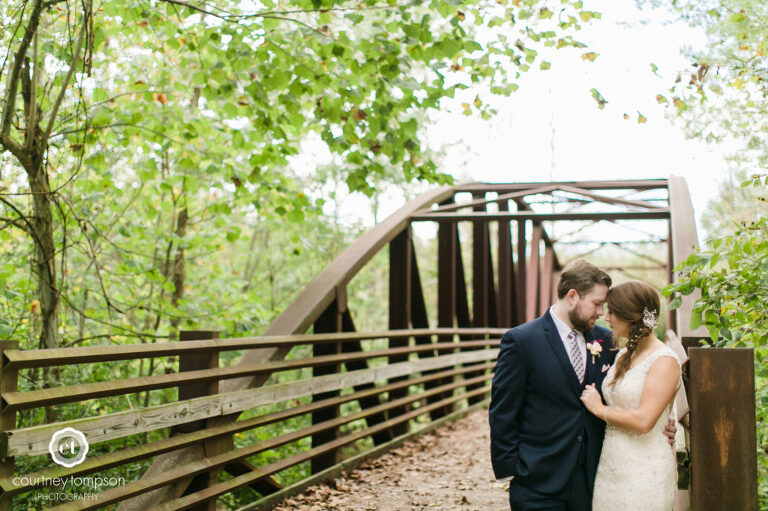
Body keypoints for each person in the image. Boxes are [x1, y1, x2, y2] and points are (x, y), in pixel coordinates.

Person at [489, 259, 676, 511]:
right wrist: (510, 471)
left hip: (593, 478)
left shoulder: (608, 341)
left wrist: (666, 421)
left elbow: (634, 389)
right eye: (598, 304)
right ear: (573, 296)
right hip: (537, 479)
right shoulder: (522, 340)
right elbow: (503, 411)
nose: (602, 313)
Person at [580, 280, 681, 510]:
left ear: (630, 315)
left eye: (612, 311)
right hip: (611, 467)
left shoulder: (663, 361)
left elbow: (645, 421)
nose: (606, 317)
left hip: (645, 472)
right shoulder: (624, 354)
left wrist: (599, 409)